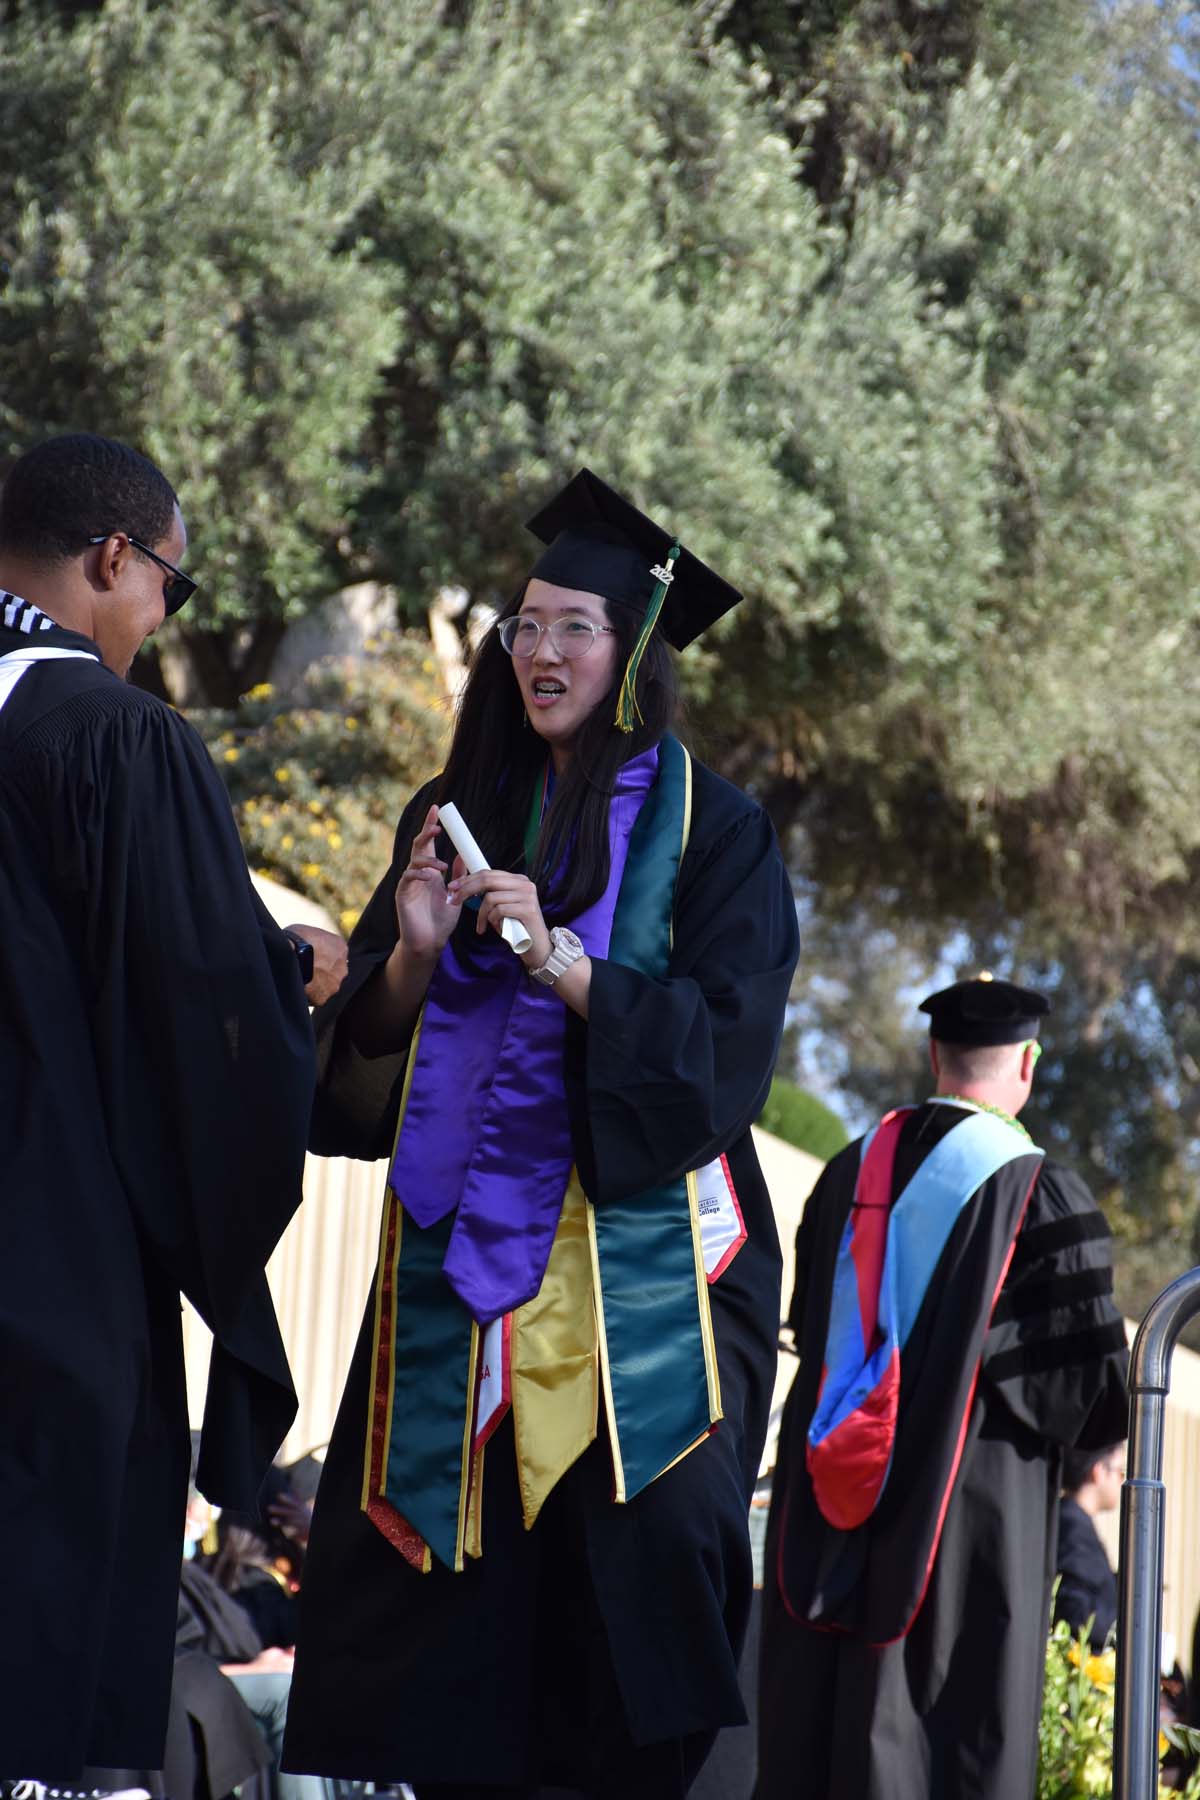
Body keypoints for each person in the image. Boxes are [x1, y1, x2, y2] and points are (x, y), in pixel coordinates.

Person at [282, 469, 800, 1797]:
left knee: (634, 1584)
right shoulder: (451, 815)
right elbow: (356, 1082)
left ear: (631, 656)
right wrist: (405, 953)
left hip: (648, 1271)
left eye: (573, 626)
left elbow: (722, 1053)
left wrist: (565, 964)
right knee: (445, 1628)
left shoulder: (718, 834)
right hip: (457, 1277)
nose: (538, 650)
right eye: (523, 623)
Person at [0, 434, 346, 1781]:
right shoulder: (115, 738)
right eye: (169, 592)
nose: (159, 624)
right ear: (111, 561)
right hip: (49, 1296)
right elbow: (190, 1017)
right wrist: (295, 981)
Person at [757, 976, 1129, 1800]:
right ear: (1027, 1064)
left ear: (934, 1057)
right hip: (964, 1551)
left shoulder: (846, 1176)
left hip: (823, 1532)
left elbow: (809, 1331)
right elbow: (1089, 1401)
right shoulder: (1037, 1191)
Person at [1055, 1443, 1124, 1649]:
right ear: (1099, 1471)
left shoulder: (1071, 1521)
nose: (1122, 1480)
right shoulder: (1074, 1529)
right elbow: (1075, 1610)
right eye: (1120, 1472)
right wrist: (1123, 1627)